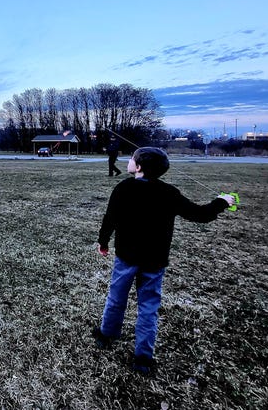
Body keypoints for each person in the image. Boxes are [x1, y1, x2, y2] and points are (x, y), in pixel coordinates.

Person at [93, 147, 235, 374]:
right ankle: (142, 357)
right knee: (148, 307)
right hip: (154, 260)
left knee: (117, 297)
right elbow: (200, 214)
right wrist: (221, 202)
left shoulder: (123, 188)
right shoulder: (168, 192)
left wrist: (103, 242)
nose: (129, 161)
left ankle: (108, 335)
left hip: (127, 258)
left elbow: (110, 218)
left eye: (131, 159)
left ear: (138, 167)